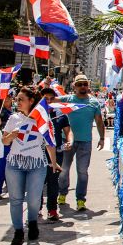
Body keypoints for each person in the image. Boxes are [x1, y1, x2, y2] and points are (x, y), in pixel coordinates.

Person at [2, 87, 62, 245]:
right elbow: (4, 141)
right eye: (17, 99)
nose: (17, 102)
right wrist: (11, 135)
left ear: (31, 101)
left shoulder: (42, 119)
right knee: (15, 200)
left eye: (21, 99)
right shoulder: (13, 118)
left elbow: (50, 143)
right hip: (14, 164)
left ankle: (33, 222)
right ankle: (18, 231)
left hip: (37, 165)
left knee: (34, 199)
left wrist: (54, 163)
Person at [57, 74, 105, 211]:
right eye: (79, 84)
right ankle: (62, 194)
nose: (83, 86)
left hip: (85, 142)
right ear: (74, 86)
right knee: (64, 170)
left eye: (85, 84)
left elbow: (99, 121)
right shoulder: (67, 99)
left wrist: (102, 138)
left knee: (82, 171)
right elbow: (49, 100)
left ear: (88, 86)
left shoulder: (94, 102)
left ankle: (80, 200)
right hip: (67, 141)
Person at [40, 87, 72, 221]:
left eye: (51, 98)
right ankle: (36, 207)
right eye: (45, 99)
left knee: (53, 182)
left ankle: (52, 210)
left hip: (56, 152)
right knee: (38, 182)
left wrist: (70, 141)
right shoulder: (35, 114)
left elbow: (68, 131)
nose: (49, 101)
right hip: (38, 153)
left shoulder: (61, 114)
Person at [0, 92, 14, 198]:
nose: (9, 100)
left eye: (10, 98)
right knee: (1, 167)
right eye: (6, 98)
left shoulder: (11, 111)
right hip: (3, 142)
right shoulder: (1, 112)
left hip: (11, 143)